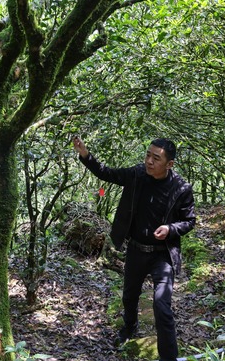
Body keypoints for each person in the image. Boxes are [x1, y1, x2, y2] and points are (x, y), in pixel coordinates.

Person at [72, 136, 195, 361]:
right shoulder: (137, 175)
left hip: (163, 255)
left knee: (161, 304)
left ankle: (169, 357)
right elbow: (106, 173)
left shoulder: (181, 189)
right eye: (148, 155)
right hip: (137, 250)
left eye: (155, 158)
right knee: (129, 296)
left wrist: (170, 228)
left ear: (169, 164)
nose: (149, 161)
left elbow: (189, 221)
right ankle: (129, 327)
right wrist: (86, 155)